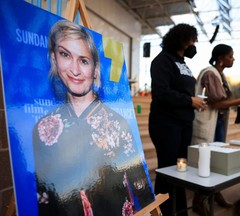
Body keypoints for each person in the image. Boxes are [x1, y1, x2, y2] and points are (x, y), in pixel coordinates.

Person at [33, 20, 155, 216]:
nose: (75, 70)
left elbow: (141, 188)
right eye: (65, 55)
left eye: (83, 60)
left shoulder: (117, 124)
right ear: (54, 60)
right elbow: (45, 199)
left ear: (95, 69)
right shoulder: (43, 129)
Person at [148, 23, 207, 216]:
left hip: (183, 124)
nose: (194, 44)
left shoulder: (183, 63)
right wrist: (190, 100)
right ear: (181, 40)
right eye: (192, 40)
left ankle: (179, 210)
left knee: (181, 169)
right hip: (166, 124)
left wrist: (194, 101)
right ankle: (163, 211)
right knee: (168, 170)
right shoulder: (162, 61)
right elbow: (161, 93)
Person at [191, 44, 240, 215]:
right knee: (204, 159)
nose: (233, 59)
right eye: (231, 56)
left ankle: (214, 193)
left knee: (215, 158)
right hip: (208, 121)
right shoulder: (210, 73)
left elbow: (225, 99)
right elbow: (217, 103)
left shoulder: (220, 75)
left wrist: (239, 100)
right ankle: (197, 200)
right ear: (221, 58)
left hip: (217, 122)